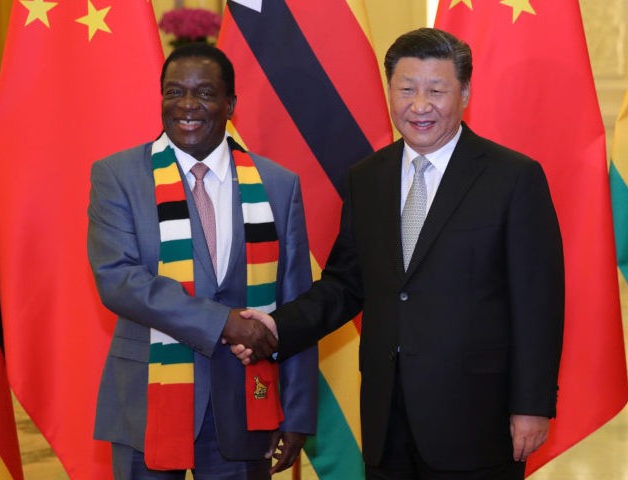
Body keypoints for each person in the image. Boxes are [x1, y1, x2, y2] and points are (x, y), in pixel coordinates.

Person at [234, 28, 564, 479]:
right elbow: (346, 284)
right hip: (387, 419)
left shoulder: (512, 178)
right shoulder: (369, 178)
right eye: (406, 89)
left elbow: (537, 304)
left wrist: (532, 405)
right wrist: (276, 325)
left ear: (464, 92)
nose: (420, 105)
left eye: (436, 90)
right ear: (390, 90)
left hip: (476, 420)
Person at [87, 42, 317, 480]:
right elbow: (119, 280)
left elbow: (295, 301)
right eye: (174, 92)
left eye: (205, 93)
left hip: (245, 403)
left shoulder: (277, 184)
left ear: (230, 104)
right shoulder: (117, 176)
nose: (188, 105)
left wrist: (298, 411)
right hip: (148, 402)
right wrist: (224, 323)